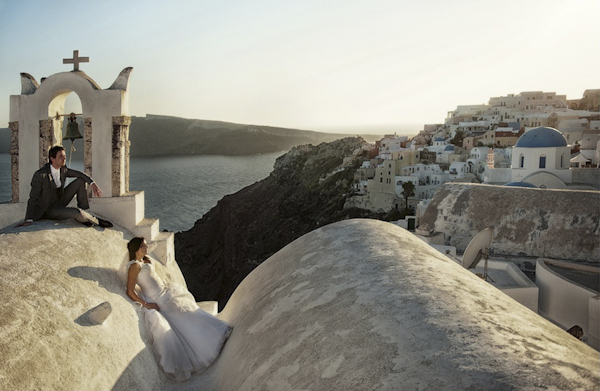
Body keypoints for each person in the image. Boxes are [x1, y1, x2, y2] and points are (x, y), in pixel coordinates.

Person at [123, 237, 232, 381]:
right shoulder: (134, 267)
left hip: (166, 294)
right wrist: (146, 304)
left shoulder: (146, 260)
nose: (146, 247)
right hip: (157, 301)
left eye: (145, 245)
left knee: (191, 313)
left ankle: (217, 332)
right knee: (186, 319)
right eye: (143, 246)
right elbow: (130, 291)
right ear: (136, 249)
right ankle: (206, 348)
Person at [16, 145, 112, 228]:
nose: (64, 159)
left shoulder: (63, 169)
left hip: (60, 201)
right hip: (48, 209)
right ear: (52, 159)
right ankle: (96, 221)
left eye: (65, 156)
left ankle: (86, 212)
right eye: (61, 156)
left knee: (80, 181)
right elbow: (33, 198)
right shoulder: (40, 175)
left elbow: (80, 174)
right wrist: (28, 219)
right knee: (76, 212)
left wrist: (93, 184)